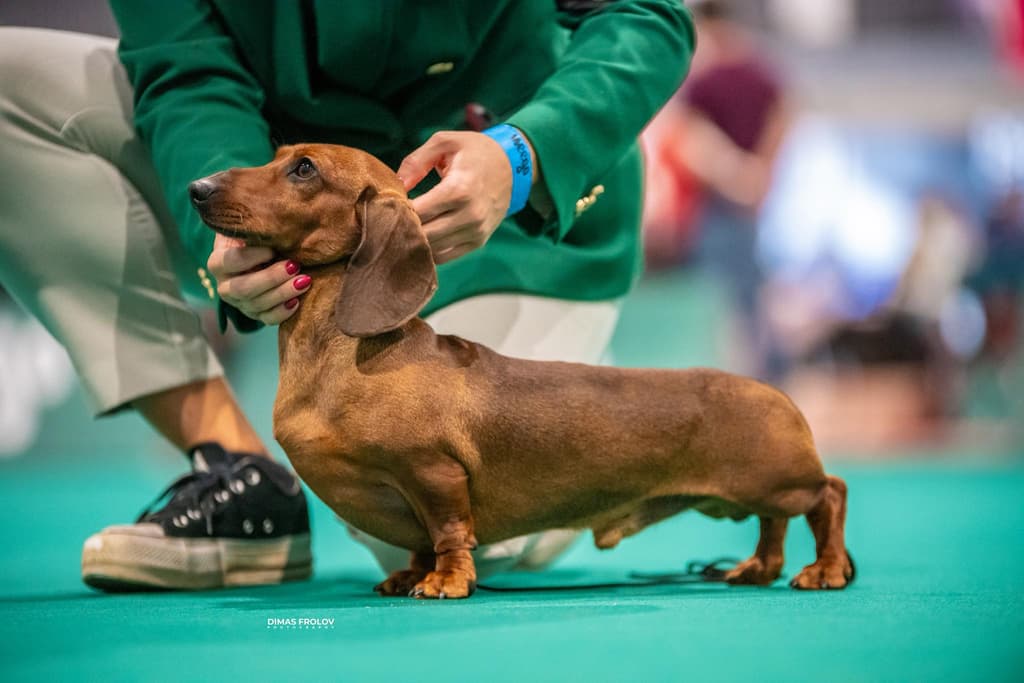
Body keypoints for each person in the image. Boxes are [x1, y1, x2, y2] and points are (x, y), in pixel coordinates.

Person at [0, 1, 695, 591]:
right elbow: (188, 67)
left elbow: (644, 15)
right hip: (273, 167)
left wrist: (523, 153)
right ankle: (237, 470)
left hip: (506, 212)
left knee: (452, 528)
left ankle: (558, 380)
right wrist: (232, 216)